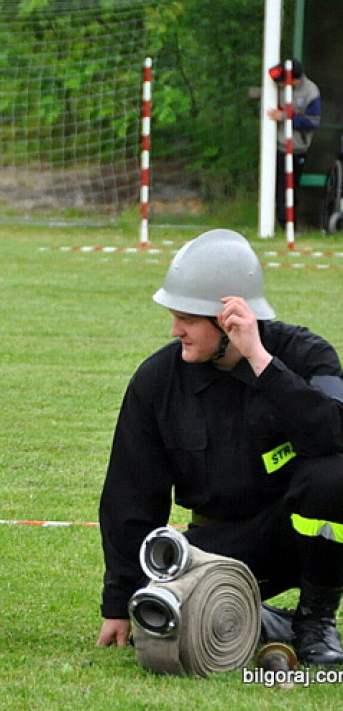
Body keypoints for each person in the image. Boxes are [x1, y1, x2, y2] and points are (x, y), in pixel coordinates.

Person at [96, 228, 343, 666]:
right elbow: (130, 495)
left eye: (187, 320)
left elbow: (332, 434)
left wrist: (262, 364)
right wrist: (119, 600)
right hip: (218, 545)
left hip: (299, 536)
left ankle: (315, 623)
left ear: (229, 319)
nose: (175, 331)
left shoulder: (306, 355)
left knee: (333, 476)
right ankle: (266, 621)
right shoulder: (156, 382)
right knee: (162, 622)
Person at [267, 60, 321, 228]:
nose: (280, 84)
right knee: (277, 186)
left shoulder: (311, 92)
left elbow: (312, 122)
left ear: (294, 80)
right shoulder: (276, 89)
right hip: (276, 146)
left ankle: (289, 223)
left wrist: (284, 117)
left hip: (296, 148)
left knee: (290, 187)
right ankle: (274, 220)